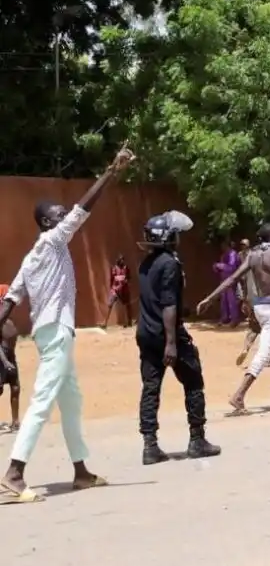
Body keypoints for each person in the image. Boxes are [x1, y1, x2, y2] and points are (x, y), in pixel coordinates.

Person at [0, 146, 133, 502]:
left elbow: (10, 298)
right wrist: (111, 171)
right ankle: (14, 473)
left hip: (50, 333)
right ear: (46, 223)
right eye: (58, 215)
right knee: (43, 400)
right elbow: (82, 210)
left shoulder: (32, 259)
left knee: (70, 399)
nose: (65, 218)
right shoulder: (51, 240)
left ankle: (80, 471)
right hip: (56, 331)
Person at [196, 219, 270, 414]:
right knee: (264, 354)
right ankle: (239, 395)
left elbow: (232, 278)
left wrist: (209, 298)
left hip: (260, 307)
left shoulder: (252, 255)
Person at [136, 210, 222, 465]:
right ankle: (197, 440)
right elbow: (169, 304)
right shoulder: (170, 264)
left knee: (150, 388)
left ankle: (149, 446)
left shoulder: (146, 263)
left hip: (146, 333)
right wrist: (172, 343)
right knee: (193, 381)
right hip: (166, 335)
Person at [0, 285, 19, 433]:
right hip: (2, 357)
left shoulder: (7, 318)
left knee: (15, 386)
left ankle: (15, 421)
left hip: (10, 354)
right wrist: (5, 362)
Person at [214, 241, 241, 326]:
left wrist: (219, 265)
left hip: (231, 280)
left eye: (224, 245)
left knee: (231, 300)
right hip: (224, 280)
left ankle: (234, 319)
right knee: (223, 301)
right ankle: (225, 318)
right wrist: (216, 267)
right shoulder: (224, 255)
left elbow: (231, 267)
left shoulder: (233, 254)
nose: (222, 247)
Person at [103, 255, 133, 328]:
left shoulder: (126, 268)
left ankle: (128, 322)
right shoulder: (114, 268)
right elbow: (112, 279)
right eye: (120, 260)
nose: (122, 261)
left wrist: (125, 282)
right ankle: (105, 323)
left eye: (123, 259)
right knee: (110, 305)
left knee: (126, 305)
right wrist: (112, 288)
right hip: (115, 290)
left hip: (124, 289)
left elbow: (128, 278)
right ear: (118, 261)